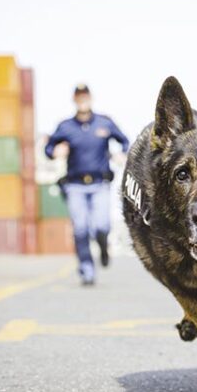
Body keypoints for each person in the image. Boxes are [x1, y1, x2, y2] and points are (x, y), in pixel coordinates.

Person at [45, 84, 129, 285]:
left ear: (91, 98)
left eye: (85, 96)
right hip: (75, 185)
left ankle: (103, 247)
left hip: (100, 184)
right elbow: (48, 148)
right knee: (80, 229)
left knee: (102, 226)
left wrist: (121, 154)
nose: (82, 100)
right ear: (74, 99)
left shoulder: (104, 122)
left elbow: (125, 141)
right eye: (79, 96)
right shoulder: (65, 126)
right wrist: (54, 152)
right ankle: (87, 269)